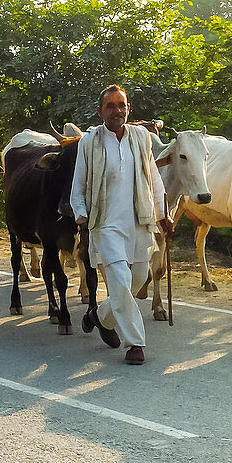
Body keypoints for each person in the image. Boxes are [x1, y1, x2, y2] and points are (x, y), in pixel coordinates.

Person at [70, 85, 173, 365]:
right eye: (111, 106)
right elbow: (78, 184)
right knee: (120, 280)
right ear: (100, 111)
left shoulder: (141, 138)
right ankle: (136, 344)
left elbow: (153, 178)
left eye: (121, 105)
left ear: (129, 109)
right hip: (105, 225)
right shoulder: (89, 142)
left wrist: (164, 214)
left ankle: (100, 317)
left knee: (138, 280)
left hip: (139, 222)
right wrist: (80, 213)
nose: (117, 111)